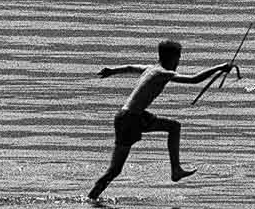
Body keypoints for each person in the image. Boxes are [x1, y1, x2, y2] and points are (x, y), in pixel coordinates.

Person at [87, 40, 238, 200]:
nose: (178, 62)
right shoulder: (163, 73)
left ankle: (176, 169)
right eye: (178, 58)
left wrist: (112, 71)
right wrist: (220, 67)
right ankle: (91, 198)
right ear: (173, 58)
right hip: (130, 120)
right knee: (114, 170)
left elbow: (129, 67)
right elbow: (194, 79)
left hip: (131, 116)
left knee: (174, 126)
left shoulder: (150, 69)